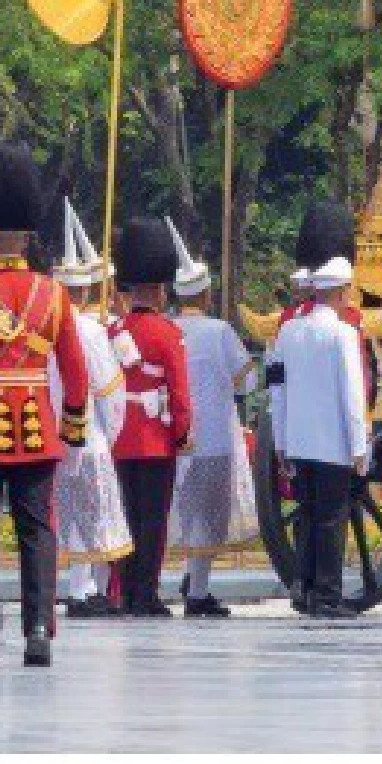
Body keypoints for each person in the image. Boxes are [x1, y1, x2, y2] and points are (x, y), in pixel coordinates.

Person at [0, 140, 91, 666]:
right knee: (37, 531)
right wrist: (73, 429)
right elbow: (74, 372)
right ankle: (37, 629)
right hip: (37, 427)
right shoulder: (51, 294)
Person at [267, 202, 370, 620]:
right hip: (333, 444)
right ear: (342, 292)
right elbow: (352, 396)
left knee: (307, 517)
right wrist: (360, 446)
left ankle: (305, 587)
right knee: (330, 520)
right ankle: (326, 594)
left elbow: (277, 391)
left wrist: (280, 441)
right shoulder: (343, 334)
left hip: (298, 441)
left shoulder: (288, 332)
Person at [45, 201, 131, 617]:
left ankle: (83, 588)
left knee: (68, 511)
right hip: (89, 429)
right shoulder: (90, 329)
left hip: (49, 431)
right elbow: (110, 388)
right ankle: (83, 590)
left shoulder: (42, 321)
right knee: (92, 513)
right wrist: (112, 431)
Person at [166, 224, 255, 617]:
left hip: (174, 433)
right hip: (214, 436)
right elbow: (247, 381)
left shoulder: (167, 327)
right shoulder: (219, 331)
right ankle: (198, 589)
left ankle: (190, 578)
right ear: (205, 294)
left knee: (184, 513)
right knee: (208, 517)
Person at [108, 217, 194, 617]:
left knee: (127, 516)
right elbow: (179, 392)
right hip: (156, 438)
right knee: (152, 521)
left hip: (122, 436)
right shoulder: (167, 332)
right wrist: (182, 431)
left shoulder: (117, 331)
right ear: (160, 289)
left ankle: (126, 590)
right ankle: (145, 591)